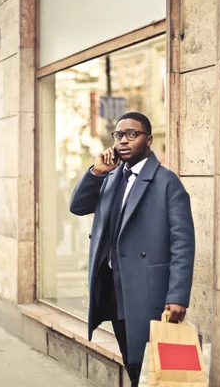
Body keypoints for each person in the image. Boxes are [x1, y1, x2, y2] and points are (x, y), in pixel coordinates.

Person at [70, 112, 195, 386]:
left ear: (148, 140)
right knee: (132, 359)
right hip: (115, 290)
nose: (123, 141)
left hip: (148, 290)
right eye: (118, 135)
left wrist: (178, 296)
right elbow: (77, 206)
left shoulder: (166, 182)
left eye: (132, 134)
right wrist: (96, 172)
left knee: (151, 365)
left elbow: (182, 243)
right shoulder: (111, 177)